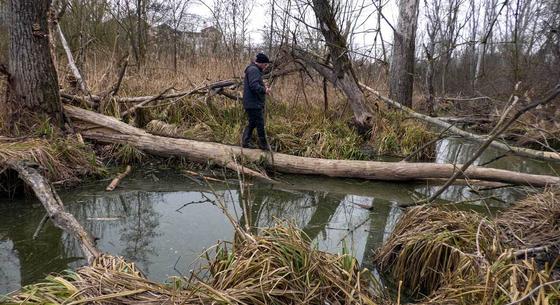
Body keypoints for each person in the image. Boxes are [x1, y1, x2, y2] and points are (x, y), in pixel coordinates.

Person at [241, 53, 272, 150]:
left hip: (252, 103)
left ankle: (245, 142)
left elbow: (255, 84)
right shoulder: (254, 70)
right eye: (265, 64)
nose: (266, 66)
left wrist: (263, 87)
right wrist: (264, 90)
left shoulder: (254, 69)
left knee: (253, 122)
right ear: (261, 63)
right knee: (260, 123)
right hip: (253, 103)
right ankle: (264, 145)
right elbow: (254, 85)